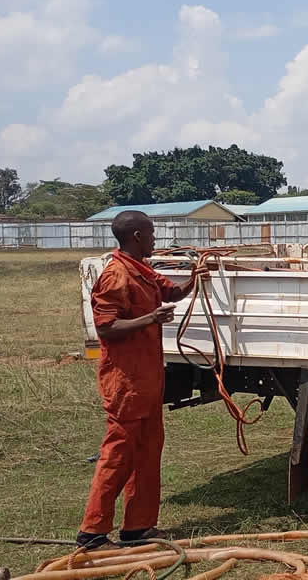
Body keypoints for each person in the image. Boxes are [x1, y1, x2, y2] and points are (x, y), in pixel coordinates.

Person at [76, 211, 208, 550]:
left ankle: (137, 527)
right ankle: (92, 534)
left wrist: (196, 278)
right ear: (136, 235)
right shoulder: (116, 275)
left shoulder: (142, 270)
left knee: (148, 454)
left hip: (147, 382)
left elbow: (172, 293)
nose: (155, 239)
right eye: (151, 234)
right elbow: (106, 327)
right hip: (125, 383)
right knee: (118, 455)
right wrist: (151, 318)